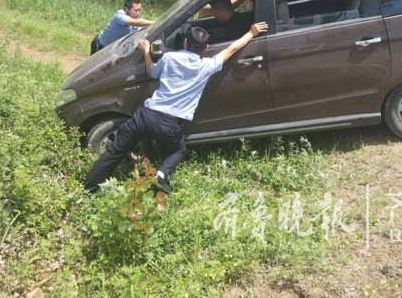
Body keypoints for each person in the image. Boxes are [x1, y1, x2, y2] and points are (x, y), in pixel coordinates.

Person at [82, 21, 268, 194]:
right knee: (178, 150)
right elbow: (232, 49)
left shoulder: (169, 58)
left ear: (185, 43)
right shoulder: (207, 65)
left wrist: (147, 51)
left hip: (145, 116)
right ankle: (161, 175)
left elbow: (151, 71)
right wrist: (251, 32)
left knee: (114, 152)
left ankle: (87, 189)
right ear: (206, 48)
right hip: (169, 126)